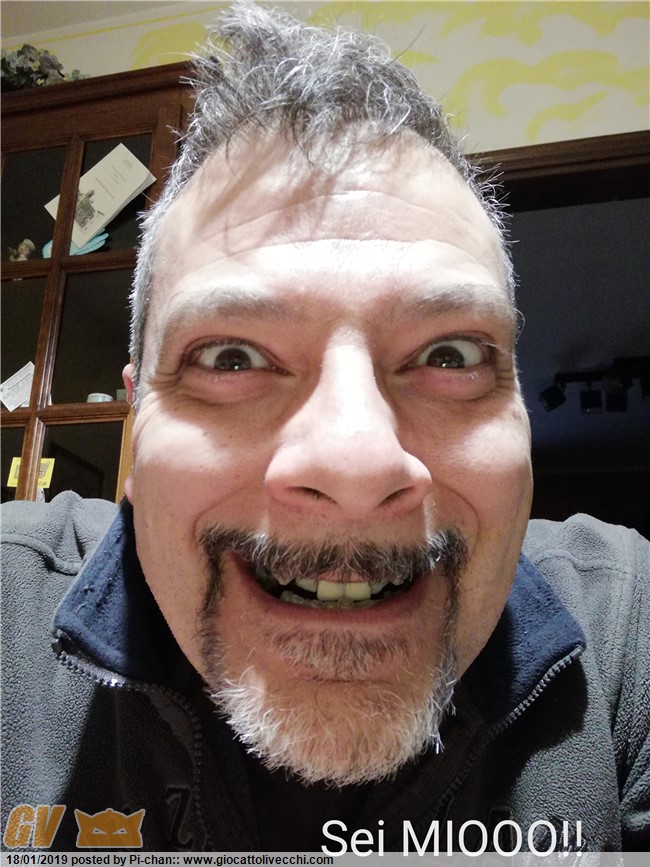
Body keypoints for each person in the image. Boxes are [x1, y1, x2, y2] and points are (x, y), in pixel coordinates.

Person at [2, 1, 648, 854]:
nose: (356, 461)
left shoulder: (628, 625)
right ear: (135, 427)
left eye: (449, 353)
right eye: (231, 356)